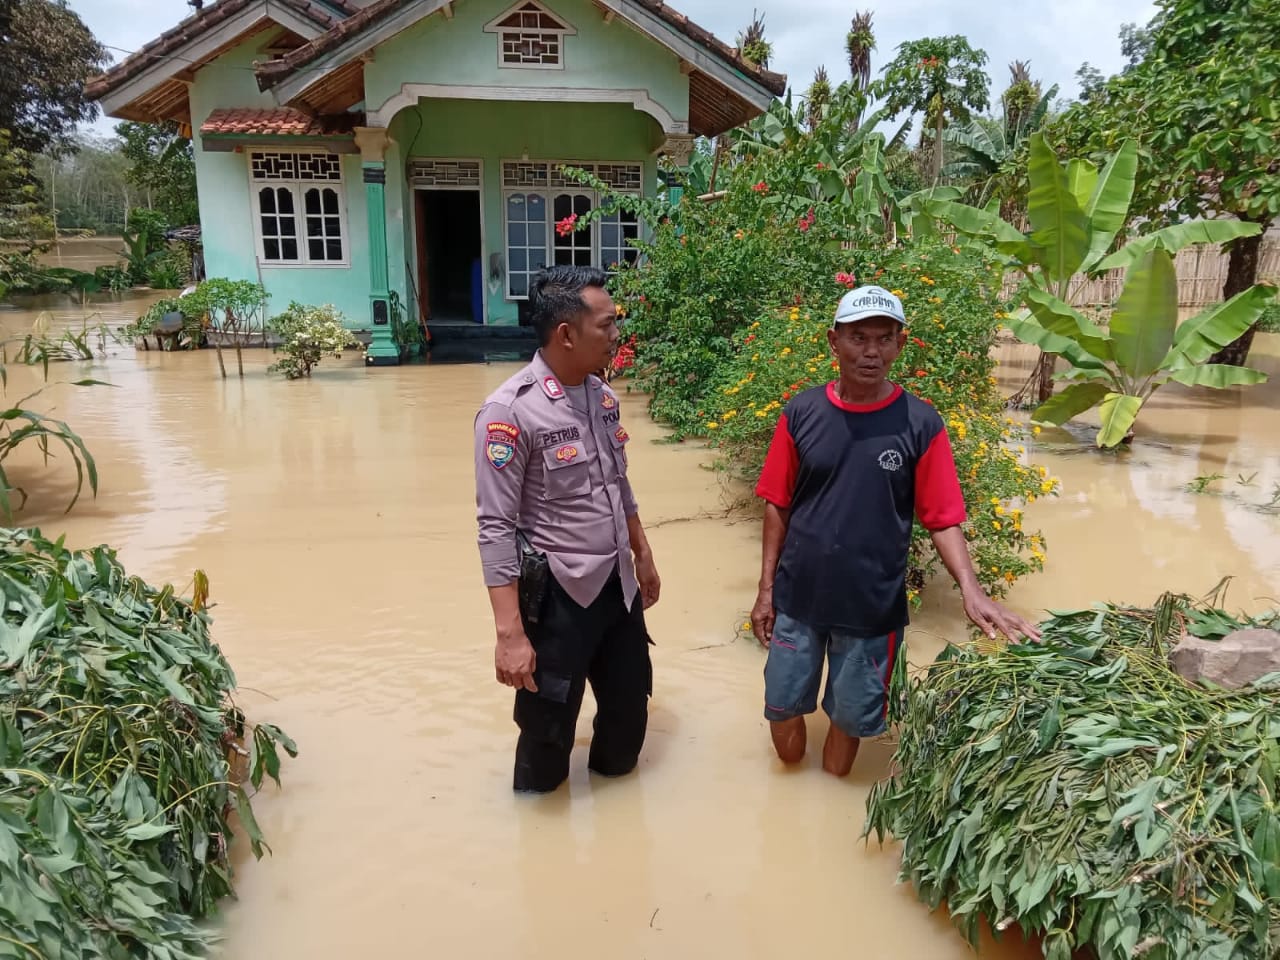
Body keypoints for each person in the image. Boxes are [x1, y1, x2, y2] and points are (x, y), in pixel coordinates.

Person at [750, 284, 1041, 777]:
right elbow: (777, 503)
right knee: (783, 718)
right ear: (833, 342)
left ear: (900, 345)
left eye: (885, 339)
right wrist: (764, 591)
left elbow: (943, 516)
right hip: (798, 596)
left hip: (871, 607)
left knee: (847, 730)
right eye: (858, 337)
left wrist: (973, 590)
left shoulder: (921, 424)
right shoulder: (801, 413)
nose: (871, 352)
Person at [473, 264, 662, 794]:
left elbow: (618, 485)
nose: (616, 334)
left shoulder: (603, 397)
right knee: (547, 740)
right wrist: (509, 634)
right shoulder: (509, 413)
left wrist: (641, 554)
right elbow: (494, 527)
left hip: (616, 588)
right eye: (606, 324)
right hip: (558, 597)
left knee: (628, 720)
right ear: (566, 334)